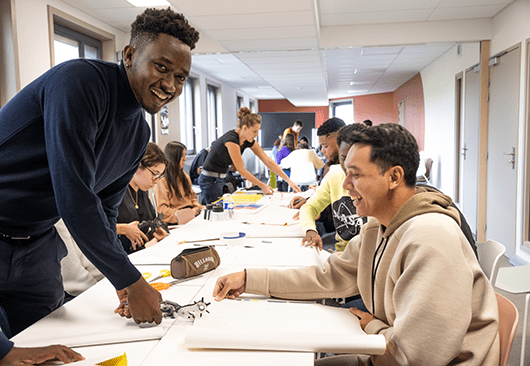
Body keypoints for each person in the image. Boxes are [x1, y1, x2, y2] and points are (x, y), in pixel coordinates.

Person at [0, 7, 199, 365]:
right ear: (129, 55)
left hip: (36, 246)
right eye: (162, 67)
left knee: (51, 345)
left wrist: (118, 278)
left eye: (181, 78)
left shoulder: (138, 132)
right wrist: (131, 279)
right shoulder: (79, 83)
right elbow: (74, 195)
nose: (170, 85)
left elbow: (105, 210)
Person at [213, 123, 499, 366]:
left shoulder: (431, 238)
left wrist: (372, 326)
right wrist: (250, 279)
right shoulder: (379, 226)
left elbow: (415, 357)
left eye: (356, 174)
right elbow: (328, 277)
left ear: (394, 177)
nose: (346, 184)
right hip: (387, 352)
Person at [198, 107, 301, 204]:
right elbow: (241, 169)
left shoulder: (248, 140)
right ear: (245, 128)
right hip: (210, 180)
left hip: (220, 178)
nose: (256, 135)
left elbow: (268, 161)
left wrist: (289, 181)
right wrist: (262, 185)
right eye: (254, 131)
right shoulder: (231, 139)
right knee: (217, 212)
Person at [298, 123, 367, 253]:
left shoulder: (375, 181)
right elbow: (309, 207)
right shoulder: (335, 174)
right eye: (344, 158)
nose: (349, 164)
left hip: (367, 260)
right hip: (341, 255)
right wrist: (310, 230)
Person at [117, 142, 169, 254]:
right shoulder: (115, 189)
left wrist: (155, 231)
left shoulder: (142, 190)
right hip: (121, 255)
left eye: (159, 176)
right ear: (137, 166)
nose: (156, 181)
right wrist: (123, 229)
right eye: (154, 174)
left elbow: (148, 221)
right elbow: (95, 225)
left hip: (142, 252)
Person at [288, 117, 346, 209]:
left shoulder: (347, 170)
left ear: (341, 143)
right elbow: (325, 196)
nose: (322, 151)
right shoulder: (329, 167)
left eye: (326, 146)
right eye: (321, 146)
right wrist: (308, 201)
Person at [155, 141, 203, 226]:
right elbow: (163, 211)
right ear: (174, 158)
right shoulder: (162, 181)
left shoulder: (183, 175)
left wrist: (198, 207)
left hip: (191, 217)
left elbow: (192, 197)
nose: (185, 159)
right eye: (182, 156)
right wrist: (188, 214)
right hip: (175, 222)